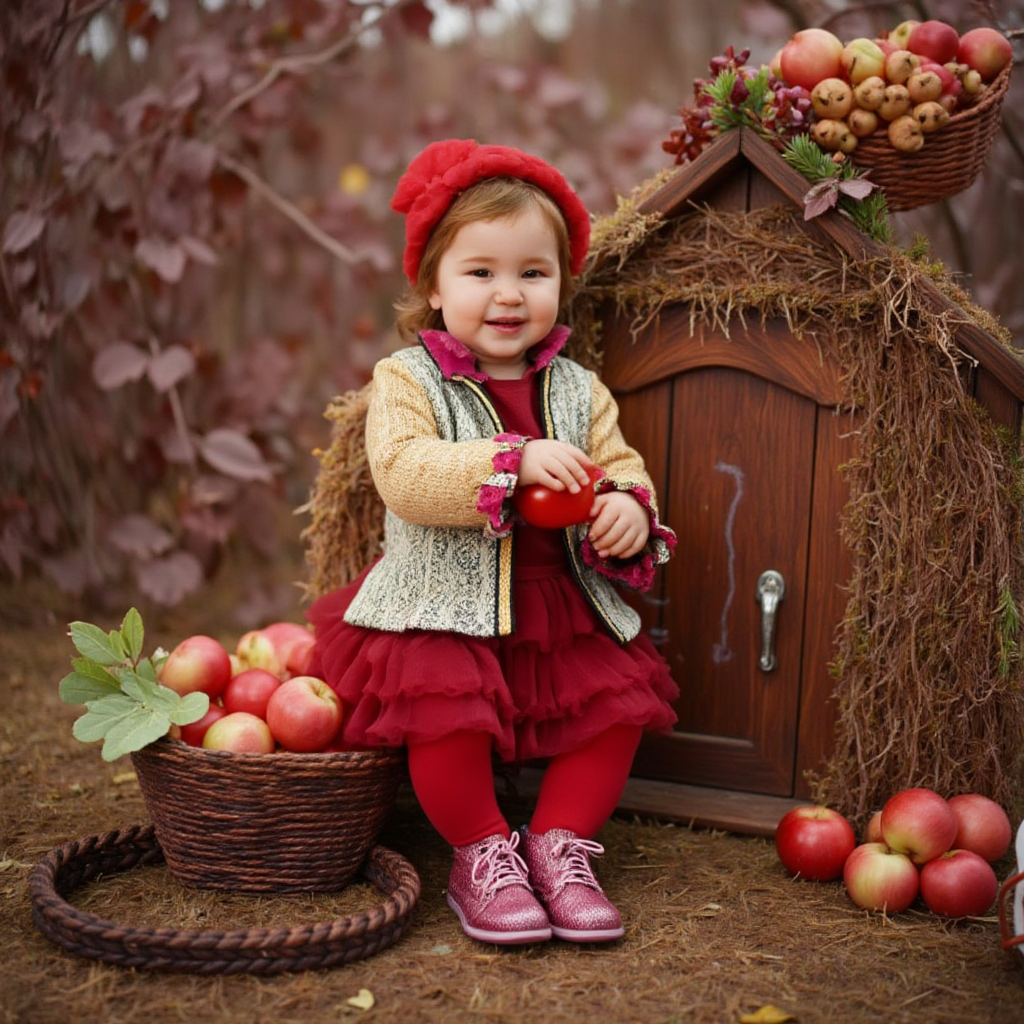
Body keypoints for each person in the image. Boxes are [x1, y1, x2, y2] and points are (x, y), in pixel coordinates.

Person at [307, 138, 678, 946]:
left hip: (559, 603)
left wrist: (627, 509)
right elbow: (405, 473)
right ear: (434, 287)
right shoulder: (408, 379)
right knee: (446, 718)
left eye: (532, 274)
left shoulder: (579, 389)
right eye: (480, 273)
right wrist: (508, 459)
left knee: (614, 710)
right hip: (441, 598)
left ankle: (560, 844)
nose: (507, 295)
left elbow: (620, 467)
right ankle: (481, 852)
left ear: (560, 285)